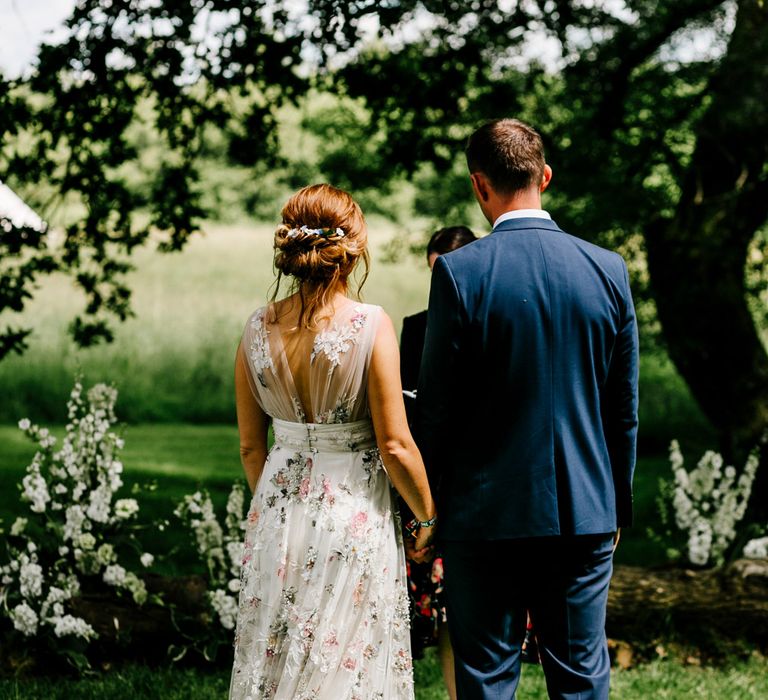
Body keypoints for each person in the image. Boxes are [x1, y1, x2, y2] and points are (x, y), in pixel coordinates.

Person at [417, 119, 639, 699]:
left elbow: (437, 409)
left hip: (484, 515)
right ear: (545, 176)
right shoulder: (608, 271)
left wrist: (428, 508)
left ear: (478, 186)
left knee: (487, 677)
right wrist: (615, 499)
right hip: (586, 510)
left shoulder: (460, 275)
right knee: (581, 675)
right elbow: (623, 408)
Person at [230, 183, 437, 700]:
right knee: (344, 658)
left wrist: (275, 500)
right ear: (353, 247)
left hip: (277, 512)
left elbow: (252, 448)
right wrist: (428, 516)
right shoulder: (369, 325)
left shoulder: (257, 327)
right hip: (352, 512)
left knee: (277, 659)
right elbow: (395, 444)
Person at [400, 226, 477, 700]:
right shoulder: (415, 326)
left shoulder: (496, 319)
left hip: (480, 483)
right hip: (431, 482)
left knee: (478, 610)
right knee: (445, 609)